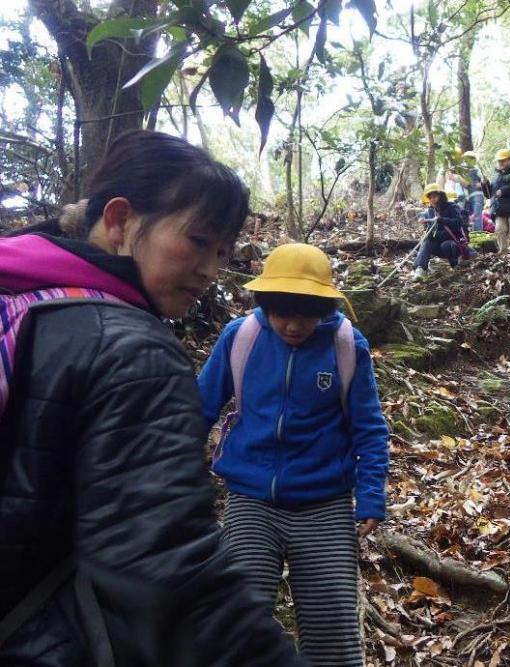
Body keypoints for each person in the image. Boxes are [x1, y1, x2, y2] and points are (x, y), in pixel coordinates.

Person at [0, 130, 306, 665]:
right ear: (119, 221)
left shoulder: (22, 297)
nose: (211, 270)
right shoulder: (131, 347)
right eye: (196, 241)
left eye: (222, 252)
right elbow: (170, 571)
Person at [198, 243, 390, 666]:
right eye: (280, 313)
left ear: (323, 306)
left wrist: (372, 494)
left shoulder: (344, 345)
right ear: (263, 303)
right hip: (250, 500)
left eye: (304, 314)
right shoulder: (242, 337)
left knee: (332, 633)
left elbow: (369, 428)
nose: (292, 325)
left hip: (324, 503)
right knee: (238, 622)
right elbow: (199, 408)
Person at [413, 183, 468, 278]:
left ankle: (456, 265)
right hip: (439, 242)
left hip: (455, 243)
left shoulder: (452, 207)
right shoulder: (430, 211)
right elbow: (423, 215)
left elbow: (459, 223)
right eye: (430, 198)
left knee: (446, 245)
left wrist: (442, 220)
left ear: (441, 196)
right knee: (426, 242)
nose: (432, 200)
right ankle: (420, 269)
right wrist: (422, 219)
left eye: (435, 197)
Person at [463, 151, 486, 231]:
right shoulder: (464, 172)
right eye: (466, 159)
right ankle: (472, 238)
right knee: (469, 218)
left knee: (477, 216)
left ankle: (479, 237)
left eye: (470, 159)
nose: (467, 161)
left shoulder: (476, 169)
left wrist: (481, 183)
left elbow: (484, 180)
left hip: (477, 195)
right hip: (469, 197)